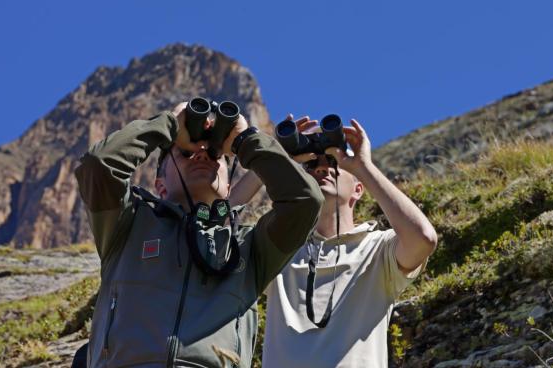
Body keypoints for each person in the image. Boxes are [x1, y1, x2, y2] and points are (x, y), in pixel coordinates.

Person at [73, 102, 323, 368]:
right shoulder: (129, 224)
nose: (203, 156)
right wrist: (170, 124)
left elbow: (305, 202)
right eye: (186, 153)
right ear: (160, 185)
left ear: (228, 186)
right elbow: (98, 166)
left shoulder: (248, 248)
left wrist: (245, 141)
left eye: (216, 156)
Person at [237, 115, 438, 367]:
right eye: (311, 165)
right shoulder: (279, 250)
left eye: (331, 162)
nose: (320, 168)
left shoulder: (378, 249)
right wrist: (270, 157)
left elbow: (423, 239)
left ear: (358, 189)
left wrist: (363, 167)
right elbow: (217, 234)